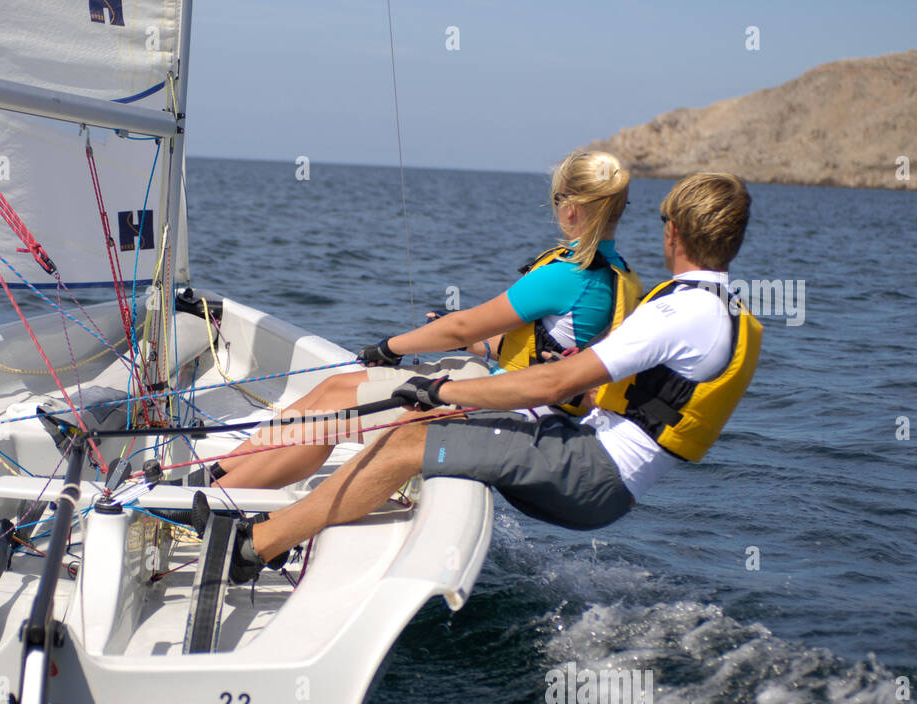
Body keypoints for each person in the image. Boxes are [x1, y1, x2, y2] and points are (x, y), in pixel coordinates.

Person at [196, 171, 762, 584]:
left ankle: (252, 548)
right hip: (597, 462)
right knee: (409, 432)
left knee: (404, 444)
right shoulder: (719, 306)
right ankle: (252, 515)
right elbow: (616, 395)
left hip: (594, 475)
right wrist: (566, 380)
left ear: (672, 233)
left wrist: (443, 390)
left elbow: (546, 390)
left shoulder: (681, 310)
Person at [201, 150, 641, 491]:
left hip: (515, 408)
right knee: (334, 387)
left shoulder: (567, 274)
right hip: (513, 391)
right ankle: (219, 471)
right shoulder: (617, 273)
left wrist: (390, 348)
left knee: (329, 416)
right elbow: (519, 347)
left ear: (569, 209)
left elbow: (463, 328)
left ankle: (222, 498)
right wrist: (463, 344)